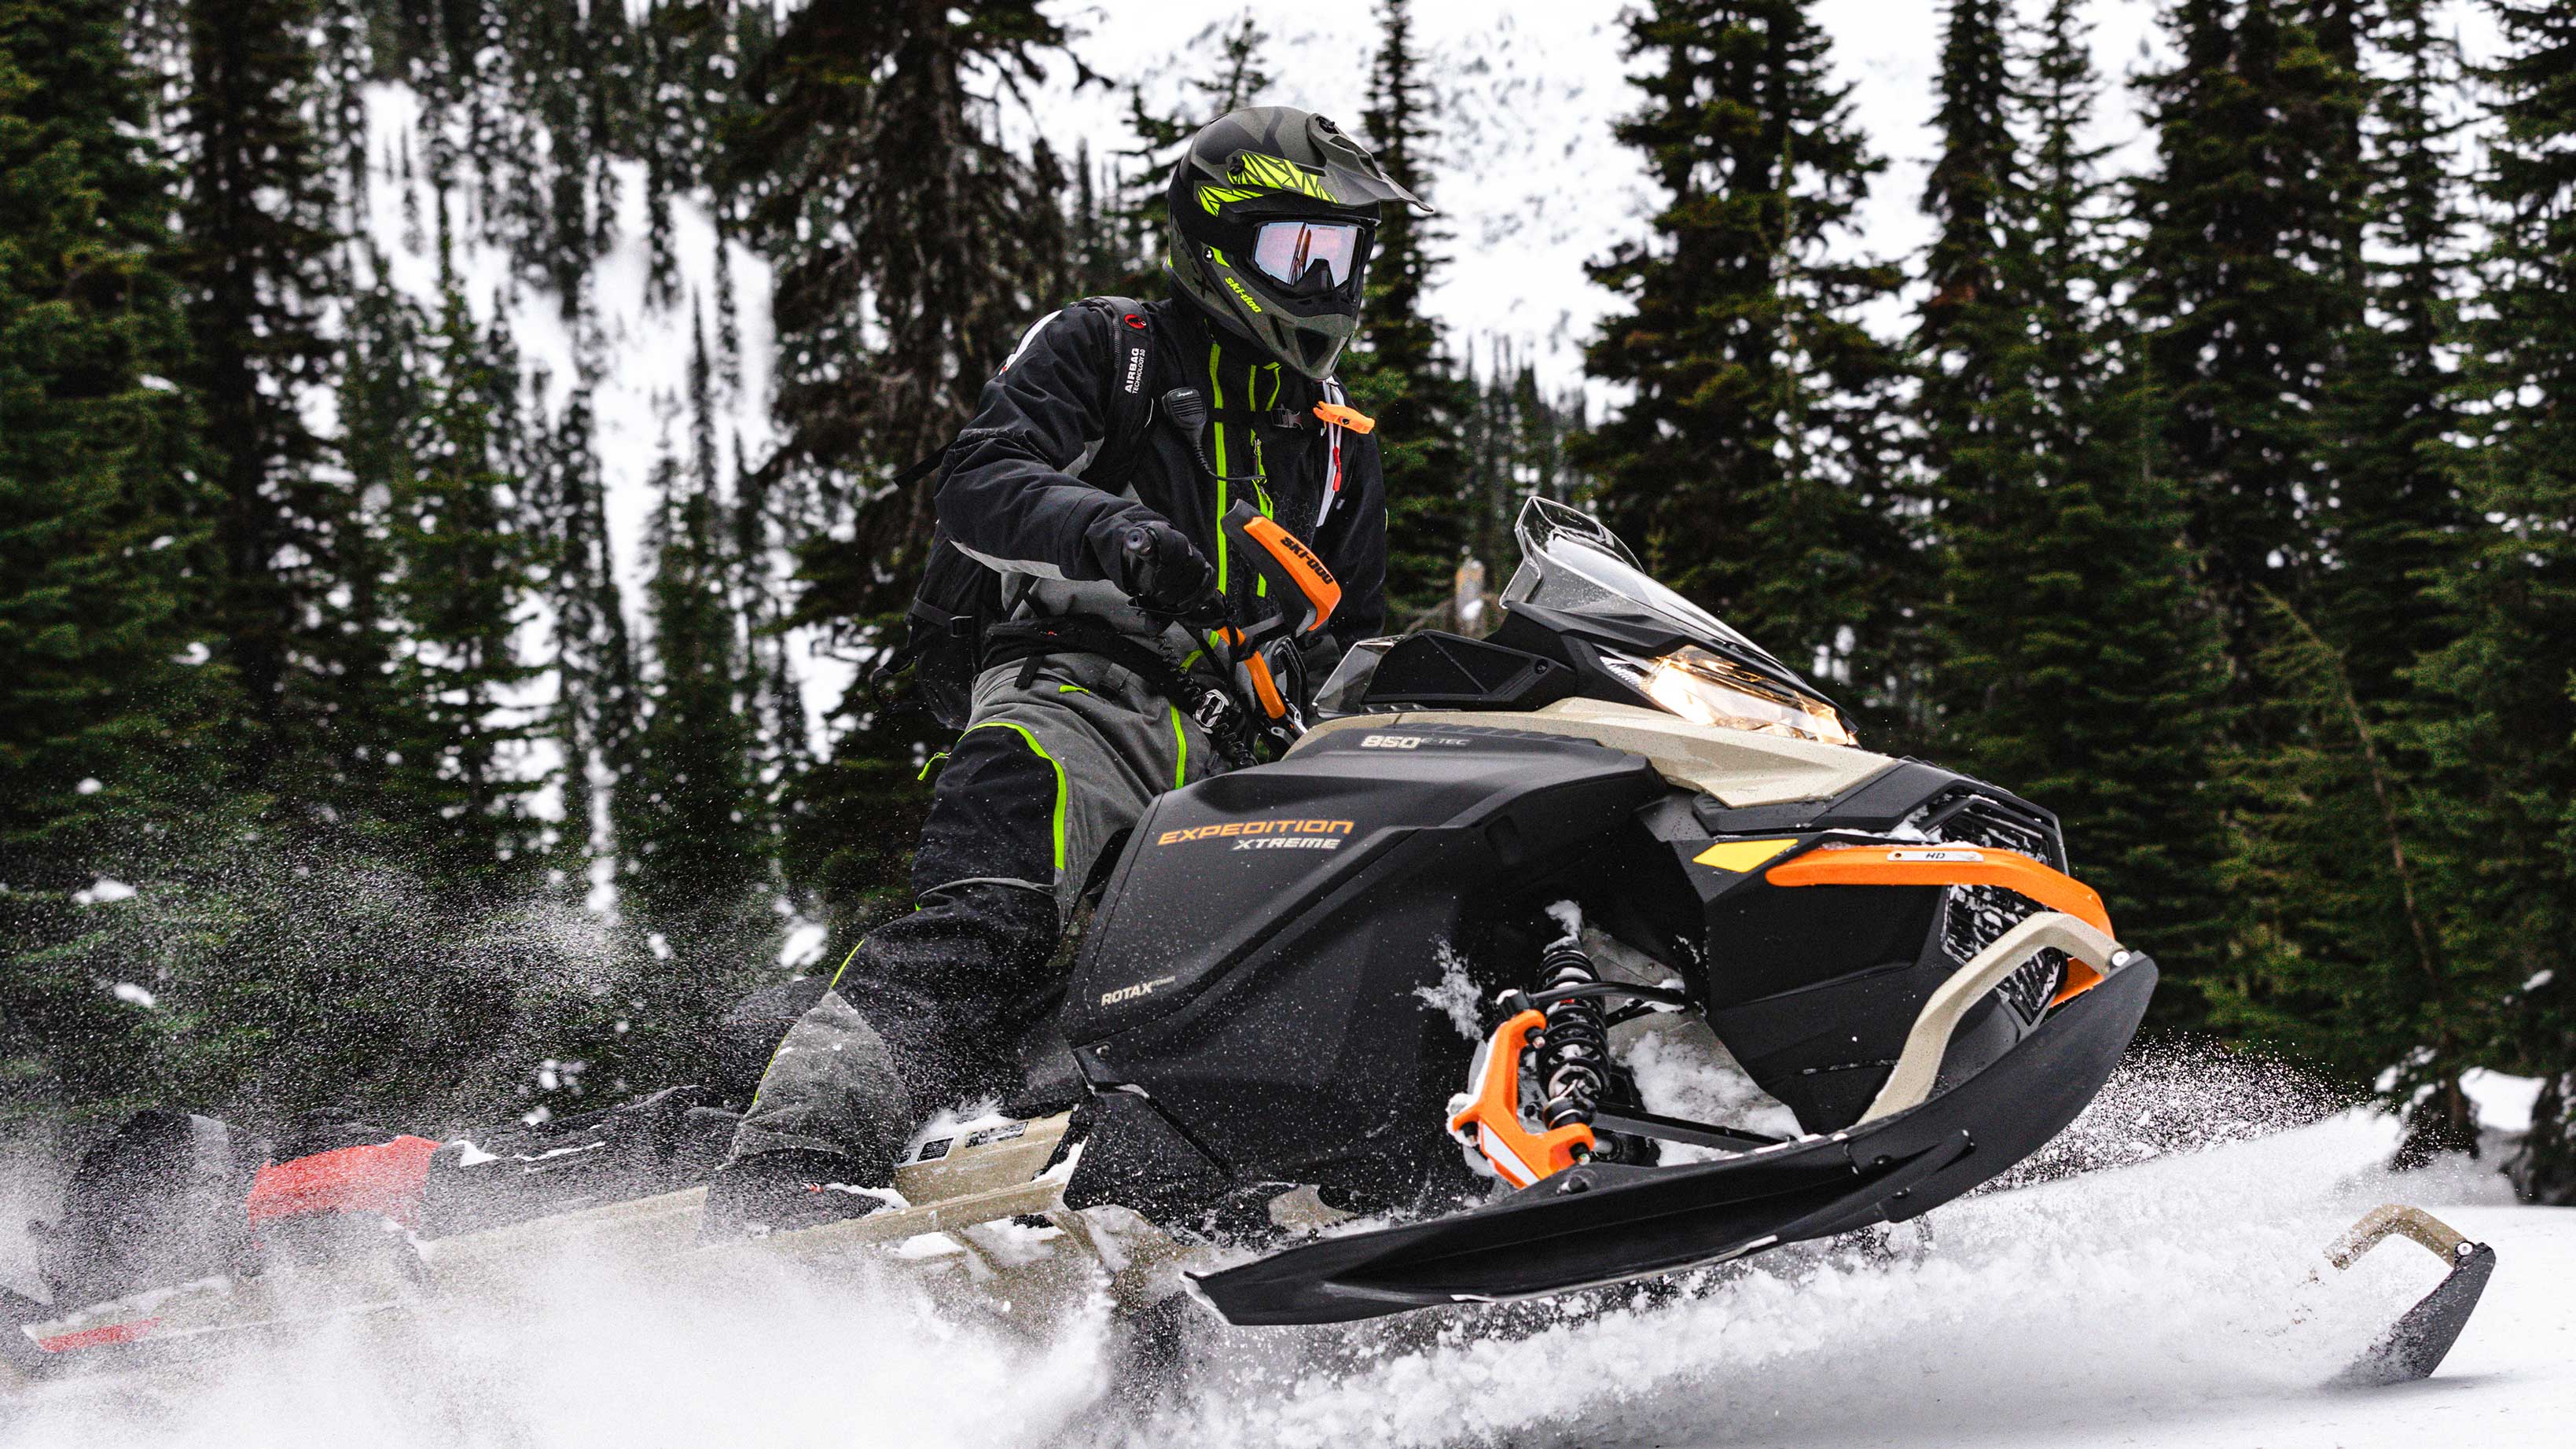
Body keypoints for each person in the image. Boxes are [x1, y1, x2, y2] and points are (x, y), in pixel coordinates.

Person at [706, 106, 1427, 1234]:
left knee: (1285, 967)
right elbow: (982, 479)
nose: (1326, 284)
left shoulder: (1341, 448)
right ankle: (785, 1169)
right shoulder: (1112, 347)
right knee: (990, 922)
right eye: (1301, 253)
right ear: (1220, 241)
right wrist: (1109, 531)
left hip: (1243, 762)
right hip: (1076, 701)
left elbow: (1353, 632)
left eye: (1343, 256)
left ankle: (1237, 1196)